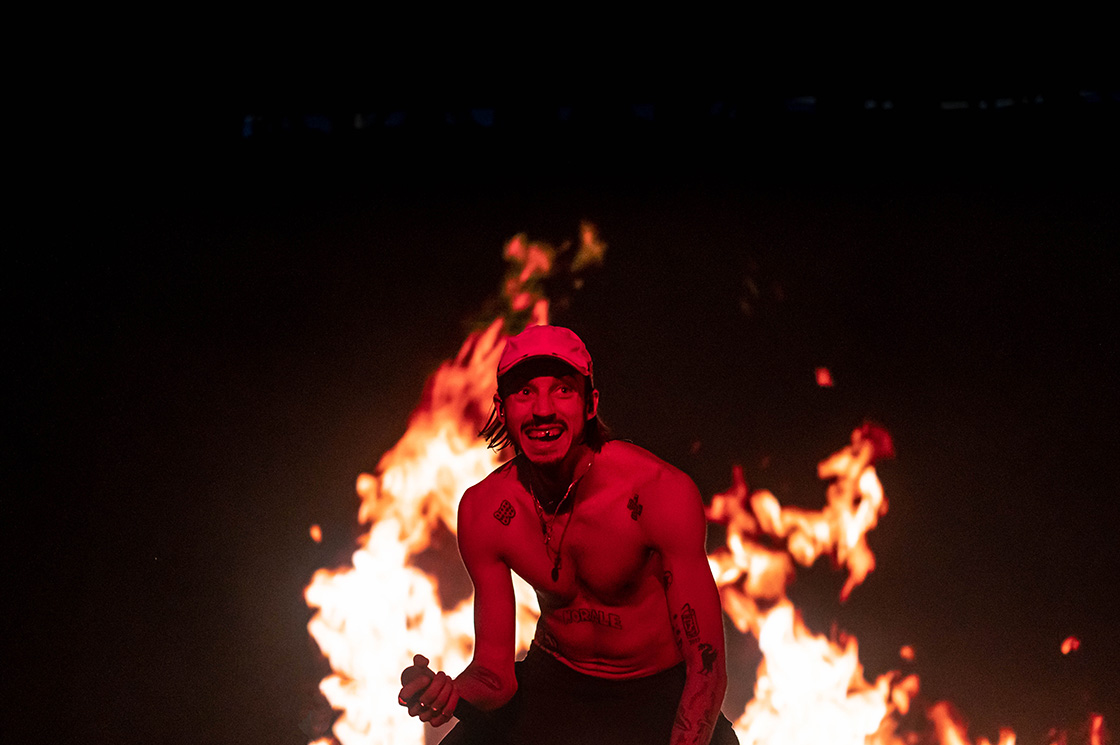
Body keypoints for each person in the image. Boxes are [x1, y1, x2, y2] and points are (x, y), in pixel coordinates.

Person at [398, 325, 738, 745]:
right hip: (554, 682)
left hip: (656, 691)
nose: (543, 410)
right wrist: (447, 691)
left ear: (590, 404)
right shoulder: (485, 510)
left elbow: (707, 669)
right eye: (525, 393)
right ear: (502, 409)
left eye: (562, 390)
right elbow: (494, 675)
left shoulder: (657, 492)